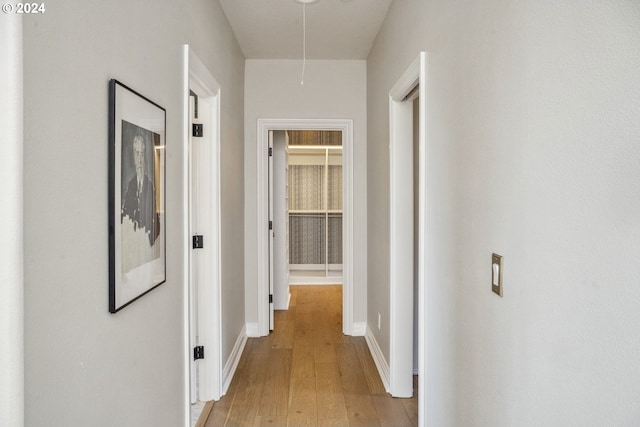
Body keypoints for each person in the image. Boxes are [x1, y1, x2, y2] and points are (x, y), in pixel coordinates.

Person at [121, 133, 160, 246]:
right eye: (137, 154)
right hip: (133, 241)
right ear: (133, 156)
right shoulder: (130, 186)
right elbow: (126, 215)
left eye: (142, 154)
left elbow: (155, 221)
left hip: (147, 241)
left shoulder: (149, 185)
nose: (139, 159)